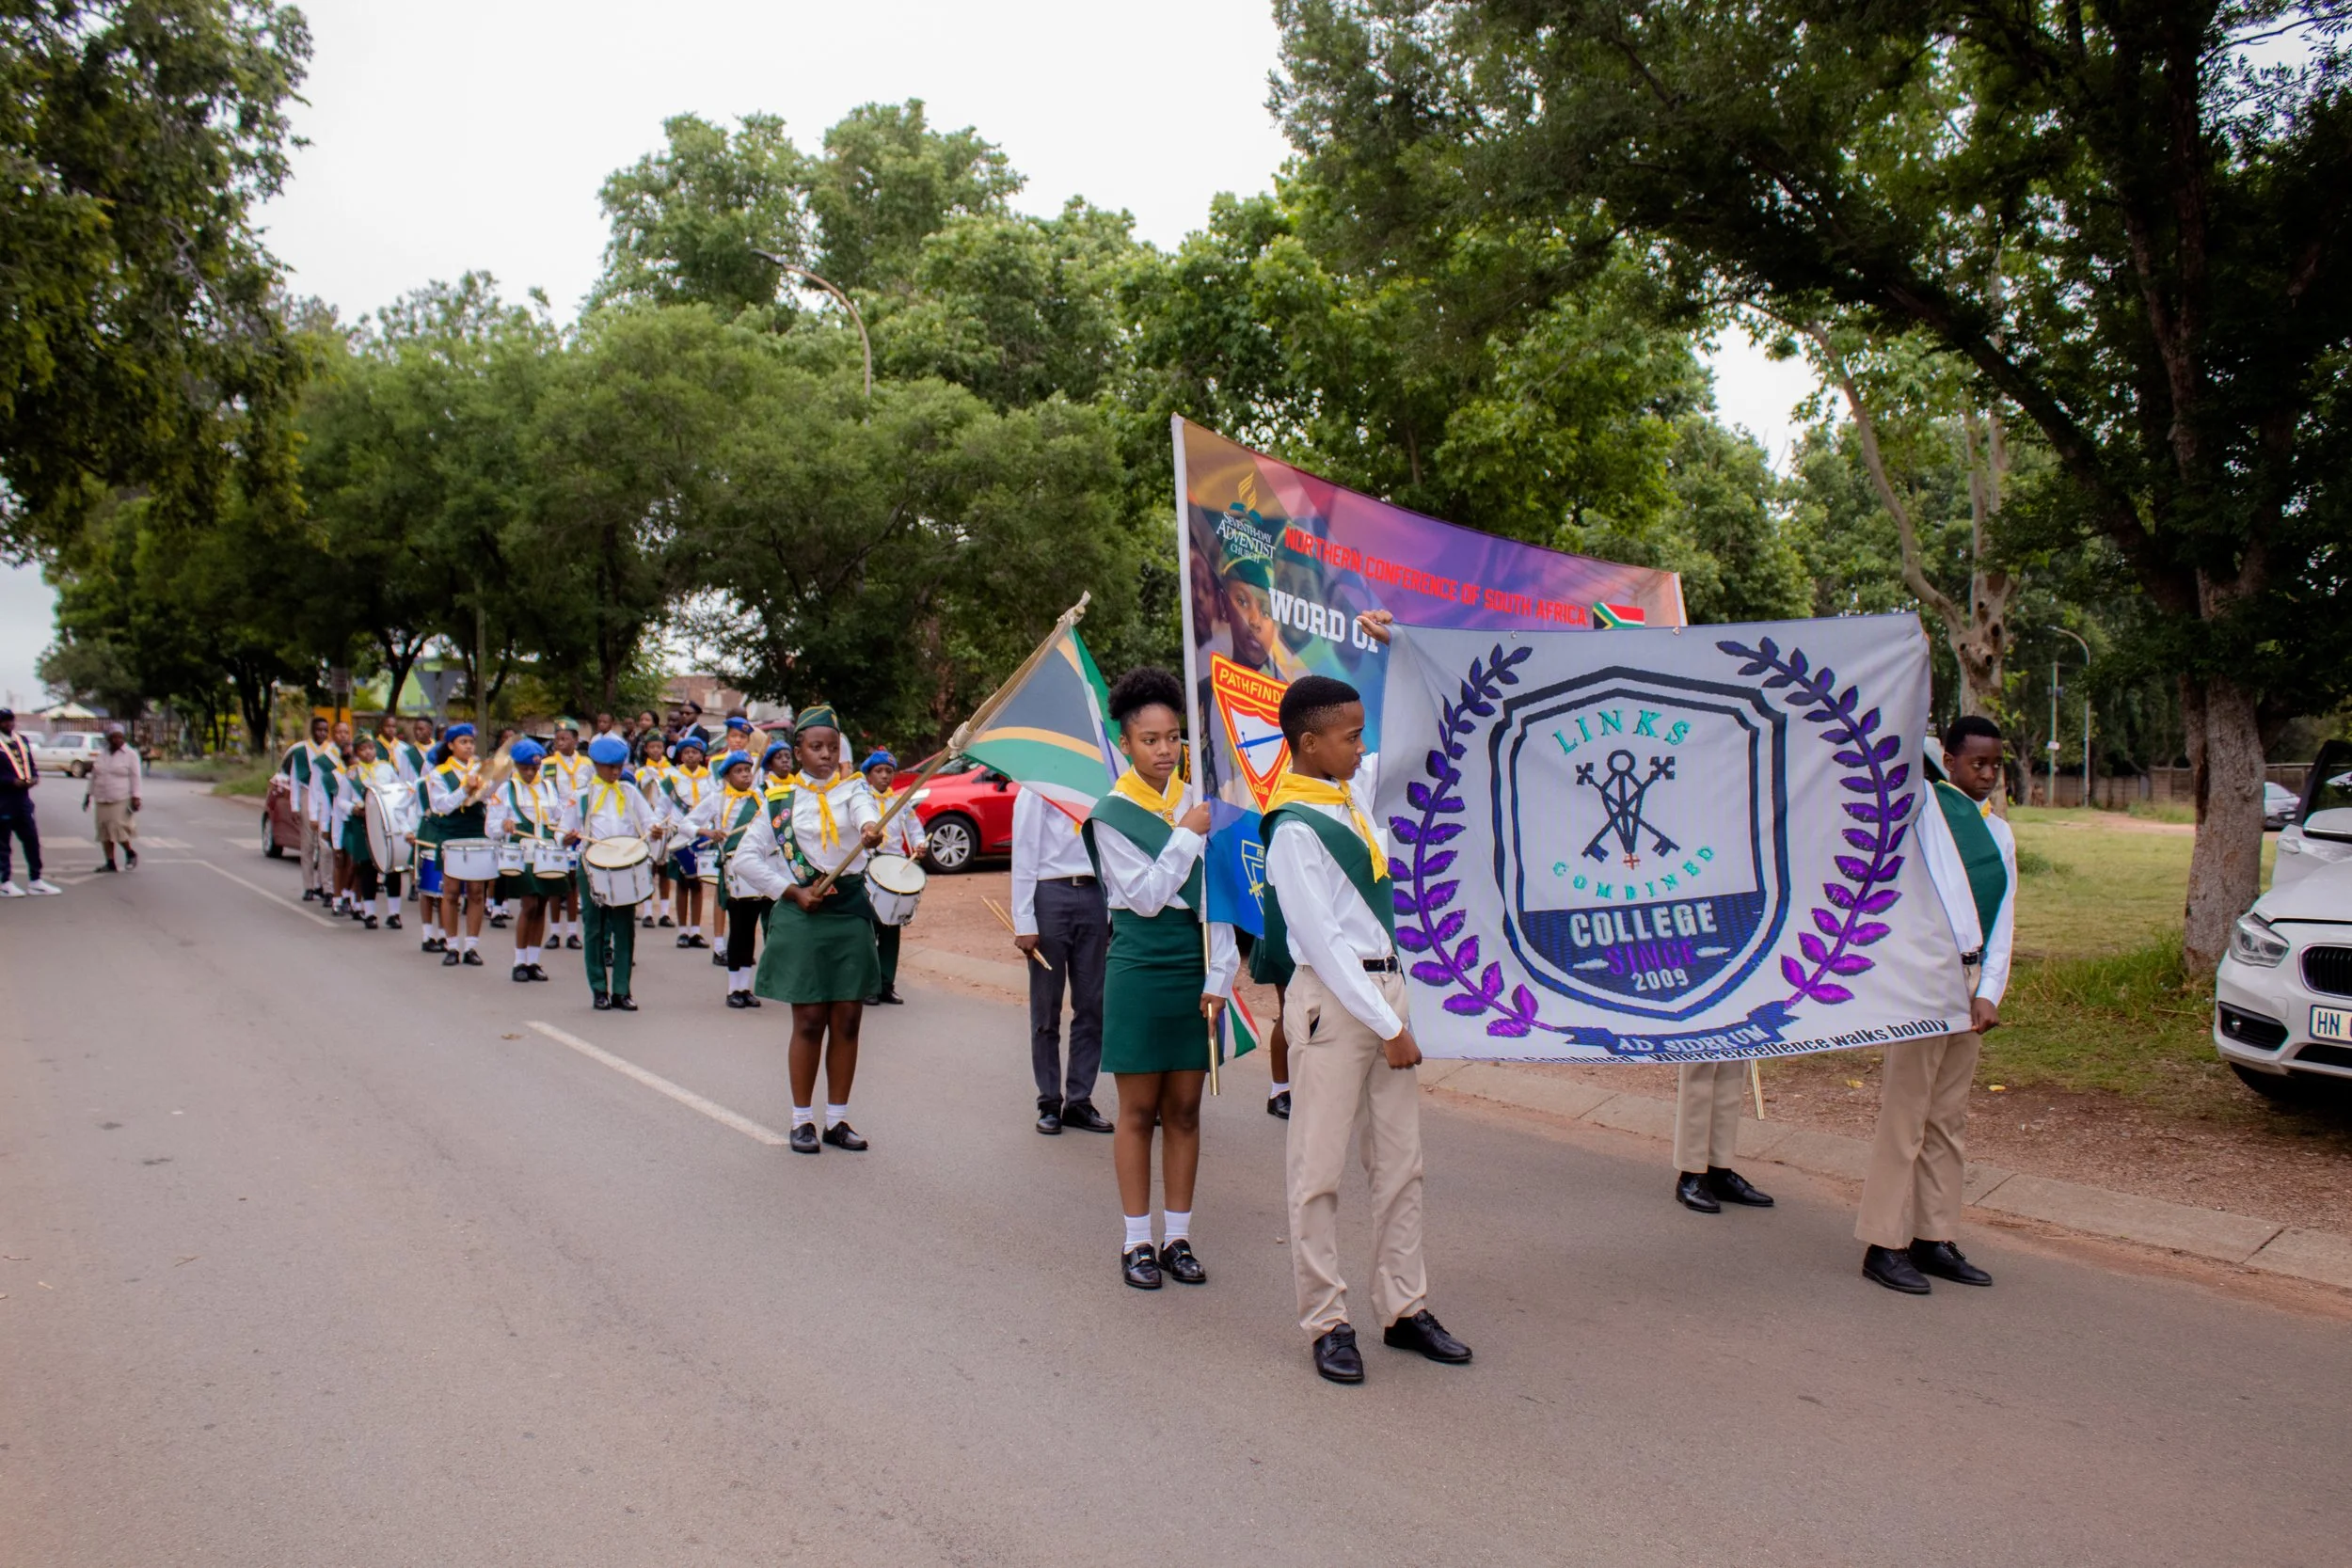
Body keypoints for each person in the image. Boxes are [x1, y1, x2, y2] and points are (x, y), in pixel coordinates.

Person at [1261, 673, 1470, 1383]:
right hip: (1337, 1002)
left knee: (1400, 1164)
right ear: (1309, 743)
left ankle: (1404, 1308)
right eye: (1350, 736)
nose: (1363, 746)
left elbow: (1419, 731)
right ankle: (1327, 1319)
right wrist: (1388, 1023)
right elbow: (1321, 943)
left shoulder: (1346, 789)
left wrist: (1400, 654)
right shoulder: (1293, 827)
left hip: (1386, 989)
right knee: (1317, 1171)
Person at [1081, 667, 1239, 1291]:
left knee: (1186, 1110)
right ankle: (1136, 1241)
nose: (1164, 750)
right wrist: (1184, 835)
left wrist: (1222, 973)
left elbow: (1219, 897)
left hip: (1195, 965)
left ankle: (1178, 1236)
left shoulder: (1198, 801)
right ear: (1126, 742)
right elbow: (1144, 897)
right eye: (1150, 739)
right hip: (1141, 963)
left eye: (1173, 737)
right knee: (1138, 1109)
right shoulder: (1112, 815)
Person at [1857, 715, 2018, 1294]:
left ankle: (1934, 1236)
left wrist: (1989, 991)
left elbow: (2003, 921)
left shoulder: (1998, 834)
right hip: (1921, 979)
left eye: (1996, 764)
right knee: (1905, 1116)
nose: (1988, 774)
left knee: (1948, 1119)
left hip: (1967, 979)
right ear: (1946, 760)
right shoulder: (1922, 810)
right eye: (1976, 763)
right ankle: (1883, 1241)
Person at [733, 705, 886, 1154]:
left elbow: (864, 814)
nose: (824, 755)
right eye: (815, 747)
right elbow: (746, 859)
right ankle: (802, 1120)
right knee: (809, 1019)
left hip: (849, 912)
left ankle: (837, 1119)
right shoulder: (778, 802)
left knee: (849, 1018)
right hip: (803, 914)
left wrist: (870, 828)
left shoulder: (855, 789)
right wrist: (790, 891)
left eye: (832, 747)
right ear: (797, 750)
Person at [1010, 762, 1112, 1135]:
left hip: (1094, 894)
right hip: (1050, 894)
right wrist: (1024, 920)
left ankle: (1080, 1099)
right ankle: (1049, 1101)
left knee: (1092, 1004)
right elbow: (1023, 852)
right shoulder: (1038, 785)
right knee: (1046, 1006)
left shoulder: (1102, 784)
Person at [564, 734, 664, 1010]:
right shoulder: (581, 796)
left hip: (624, 867)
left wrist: (655, 830)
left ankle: (622, 989)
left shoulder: (630, 792)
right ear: (596, 765)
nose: (616, 772)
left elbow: (649, 822)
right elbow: (560, 834)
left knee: (624, 928)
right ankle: (598, 988)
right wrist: (568, 838)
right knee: (594, 929)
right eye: (610, 767)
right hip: (592, 867)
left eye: (619, 767)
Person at [691, 749, 771, 1007]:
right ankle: (732, 989)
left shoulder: (760, 797)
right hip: (733, 867)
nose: (745, 775)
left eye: (748, 770)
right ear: (727, 776)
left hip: (757, 867)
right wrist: (706, 832)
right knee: (737, 929)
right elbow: (686, 824)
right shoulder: (717, 800)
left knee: (750, 929)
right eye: (739, 771)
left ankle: (746, 987)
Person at [489, 738, 561, 983]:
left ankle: (534, 960)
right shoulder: (505, 790)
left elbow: (558, 818)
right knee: (529, 904)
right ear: (516, 766)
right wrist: (504, 824)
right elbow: (490, 827)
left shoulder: (549, 789)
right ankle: (519, 961)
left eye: (534, 768)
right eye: (525, 769)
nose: (530, 773)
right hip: (523, 854)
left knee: (541, 905)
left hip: (546, 853)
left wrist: (564, 833)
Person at [420, 722, 490, 966]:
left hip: (476, 831)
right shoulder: (438, 773)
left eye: (471, 742)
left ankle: (471, 946)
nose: (468, 747)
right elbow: (441, 806)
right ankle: (451, 945)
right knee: (449, 892)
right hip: (450, 832)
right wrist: (465, 790)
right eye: (463, 742)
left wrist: (488, 785)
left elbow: (491, 797)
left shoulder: (480, 769)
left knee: (476, 892)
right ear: (450, 745)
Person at [859, 750, 925, 1006]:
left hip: (895, 869)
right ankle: (868, 985)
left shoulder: (901, 802)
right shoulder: (863, 802)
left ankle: (886, 983)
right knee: (868, 929)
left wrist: (920, 844)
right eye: (879, 771)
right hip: (869, 868)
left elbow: (914, 827)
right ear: (868, 775)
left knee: (891, 928)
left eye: (888, 771)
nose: (885, 776)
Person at [335, 733, 395, 928]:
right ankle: (369, 912)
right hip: (364, 822)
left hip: (387, 822)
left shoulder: (387, 768)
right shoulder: (352, 773)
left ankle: (395, 913)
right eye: (363, 748)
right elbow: (341, 800)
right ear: (357, 752)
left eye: (371, 747)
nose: (368, 751)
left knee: (392, 866)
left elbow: (399, 789)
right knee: (367, 866)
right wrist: (353, 808)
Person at [662, 734, 715, 948]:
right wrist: (657, 824)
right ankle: (682, 930)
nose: (691, 756)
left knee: (698, 883)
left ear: (702, 755)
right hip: (680, 835)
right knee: (683, 883)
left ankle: (696, 931)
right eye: (686, 752)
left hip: (702, 835)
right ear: (681, 756)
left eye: (695, 752)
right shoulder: (671, 779)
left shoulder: (711, 779)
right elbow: (662, 807)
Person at [0, 707, 58, 895]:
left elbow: (29, 764)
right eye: (4, 721)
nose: (8, 724)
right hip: (3, 799)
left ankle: (36, 880)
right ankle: (4, 881)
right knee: (3, 843)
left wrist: (33, 776)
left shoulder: (21, 740)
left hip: (23, 799)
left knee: (31, 839)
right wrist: (10, 781)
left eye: (10, 720)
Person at [544, 723, 591, 951]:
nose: (560, 743)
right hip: (557, 826)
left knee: (573, 881)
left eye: (564, 738)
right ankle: (554, 931)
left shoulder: (587, 765)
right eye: (557, 739)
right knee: (556, 880)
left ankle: (572, 931)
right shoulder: (547, 765)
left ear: (575, 740)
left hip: (579, 826)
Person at [84, 725, 143, 872]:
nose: (117, 740)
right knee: (104, 830)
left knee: (118, 827)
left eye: (119, 737)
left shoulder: (130, 754)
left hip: (120, 797)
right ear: (108, 739)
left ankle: (130, 852)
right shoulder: (103, 754)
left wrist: (136, 797)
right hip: (102, 797)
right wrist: (88, 795)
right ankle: (110, 862)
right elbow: (94, 776)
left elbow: (136, 776)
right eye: (113, 737)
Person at [633, 730, 675, 930]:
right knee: (649, 867)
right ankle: (648, 911)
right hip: (650, 824)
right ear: (646, 749)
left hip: (667, 823)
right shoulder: (641, 772)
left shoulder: (672, 772)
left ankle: (665, 912)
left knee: (665, 869)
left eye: (659, 746)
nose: (656, 750)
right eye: (652, 747)